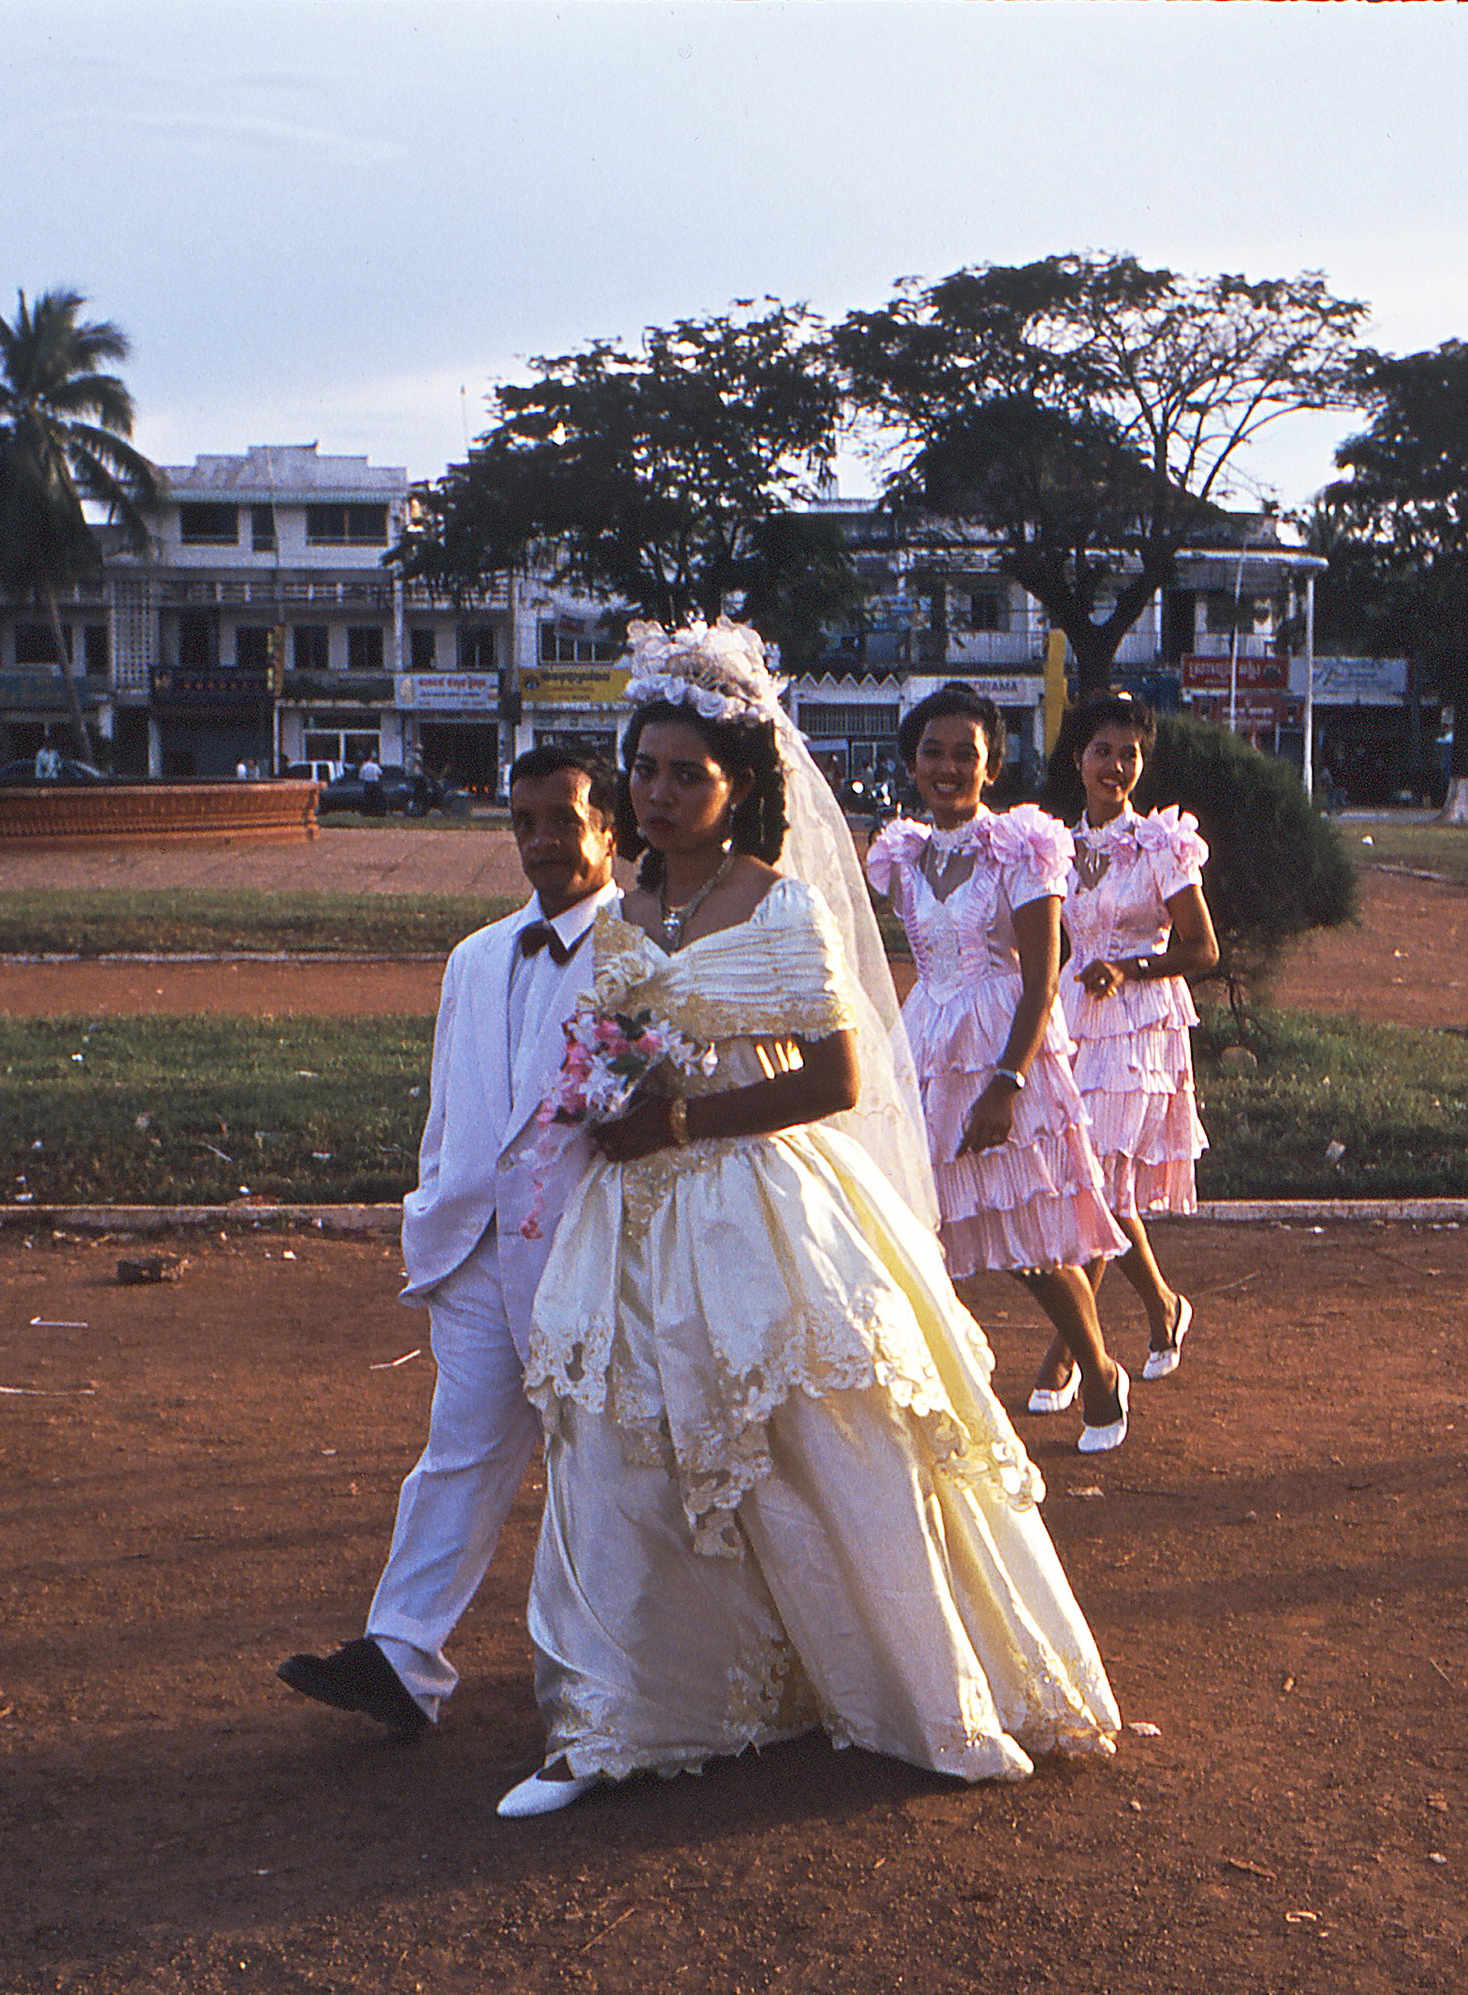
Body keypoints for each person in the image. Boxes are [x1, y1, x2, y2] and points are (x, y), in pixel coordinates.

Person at [499, 623, 1120, 1818]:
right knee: (625, 1446)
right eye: (648, 772)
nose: (662, 794)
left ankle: (907, 1690)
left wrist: (681, 1124)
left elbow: (837, 1081)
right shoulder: (628, 906)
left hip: (760, 1199)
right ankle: (621, 1716)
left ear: (739, 788)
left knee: (828, 1441)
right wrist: (612, 1095)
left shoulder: (779, 906)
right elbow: (622, 1041)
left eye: (690, 774)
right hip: (633, 1216)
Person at [273, 743, 617, 1732]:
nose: (545, 840)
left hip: (582, 1250)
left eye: (566, 818)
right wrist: (435, 1206)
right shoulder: (474, 957)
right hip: (470, 1247)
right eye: (526, 822)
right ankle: (400, 1655)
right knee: (457, 1454)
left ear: (609, 829)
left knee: (596, 1464)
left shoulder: (642, 950)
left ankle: (609, 1664)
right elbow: (449, 1108)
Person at [868, 684, 1129, 1450]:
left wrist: (1007, 1084)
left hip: (1006, 1047)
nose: (948, 769)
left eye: (965, 755)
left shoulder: (1021, 845)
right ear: (913, 762)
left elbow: (1045, 977)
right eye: (933, 753)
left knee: (1030, 1240)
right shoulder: (903, 853)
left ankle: (1100, 1373)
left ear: (993, 764)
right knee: (917, 1231)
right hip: (926, 1046)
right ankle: (942, 1401)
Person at [1036, 691, 1217, 1391]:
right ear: (1077, 760)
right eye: (1102, 752)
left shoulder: (1162, 845)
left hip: (1144, 1024)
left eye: (1129, 754)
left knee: (1103, 1183)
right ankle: (1165, 1306)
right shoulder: (1059, 846)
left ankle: (1068, 1355)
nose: (1116, 766)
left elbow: (1202, 949)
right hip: (1079, 1023)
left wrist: (1132, 965)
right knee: (1100, 1184)